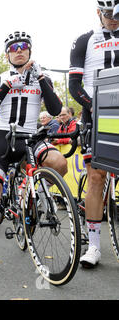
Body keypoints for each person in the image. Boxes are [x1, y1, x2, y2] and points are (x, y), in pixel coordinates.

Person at [0, 31, 67, 277]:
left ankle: (34, 191)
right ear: (8, 53)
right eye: (13, 47)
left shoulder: (42, 78)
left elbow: (55, 108)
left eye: (24, 46)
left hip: (30, 139)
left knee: (59, 162)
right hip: (3, 140)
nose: (19, 50)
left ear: (30, 50)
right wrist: (9, 84)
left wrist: (40, 77)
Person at [68, 0, 119, 268]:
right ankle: (94, 245)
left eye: (117, 13)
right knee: (96, 176)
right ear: (98, 12)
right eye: (107, 13)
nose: (112, 18)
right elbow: (74, 86)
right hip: (95, 113)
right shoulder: (84, 40)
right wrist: (96, 108)